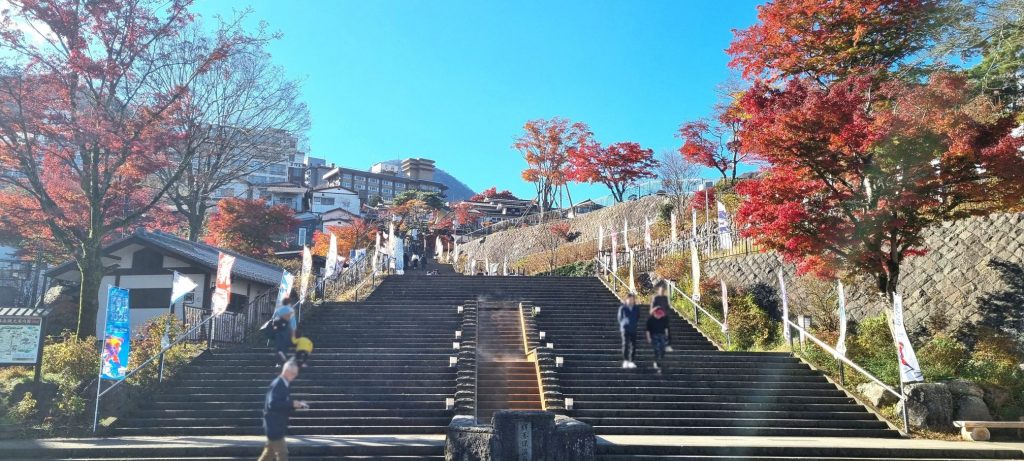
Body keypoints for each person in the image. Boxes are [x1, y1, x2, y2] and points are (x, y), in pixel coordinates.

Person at [258, 360, 308, 461]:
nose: (294, 376)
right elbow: (272, 404)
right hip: (274, 425)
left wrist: (294, 405)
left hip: (276, 425)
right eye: (294, 374)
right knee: (283, 453)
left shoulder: (283, 383)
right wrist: (291, 403)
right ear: (287, 371)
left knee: (268, 454)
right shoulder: (278, 384)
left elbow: (280, 403)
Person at [618, 293, 640, 369]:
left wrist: (633, 323)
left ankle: (631, 361)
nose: (631, 300)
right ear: (626, 300)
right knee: (625, 344)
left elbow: (637, 317)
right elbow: (620, 318)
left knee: (633, 345)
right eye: (629, 299)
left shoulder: (636, 308)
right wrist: (624, 324)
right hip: (625, 329)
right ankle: (626, 361)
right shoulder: (623, 308)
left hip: (633, 328)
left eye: (632, 299)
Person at [646, 305, 670, 373]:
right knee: (656, 348)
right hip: (654, 335)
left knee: (662, 348)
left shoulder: (663, 319)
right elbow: (647, 330)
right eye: (658, 314)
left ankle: (659, 360)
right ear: (654, 313)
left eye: (660, 314)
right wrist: (648, 338)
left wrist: (667, 336)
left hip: (662, 335)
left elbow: (666, 328)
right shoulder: (650, 320)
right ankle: (656, 362)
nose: (659, 316)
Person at [650, 283, 673, 352]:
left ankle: (668, 345)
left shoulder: (665, 298)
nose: (662, 292)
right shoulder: (656, 298)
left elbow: (667, 307)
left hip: (664, 316)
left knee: (668, 331)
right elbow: (652, 308)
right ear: (659, 291)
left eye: (663, 291)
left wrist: (666, 313)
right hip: (657, 317)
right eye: (661, 290)